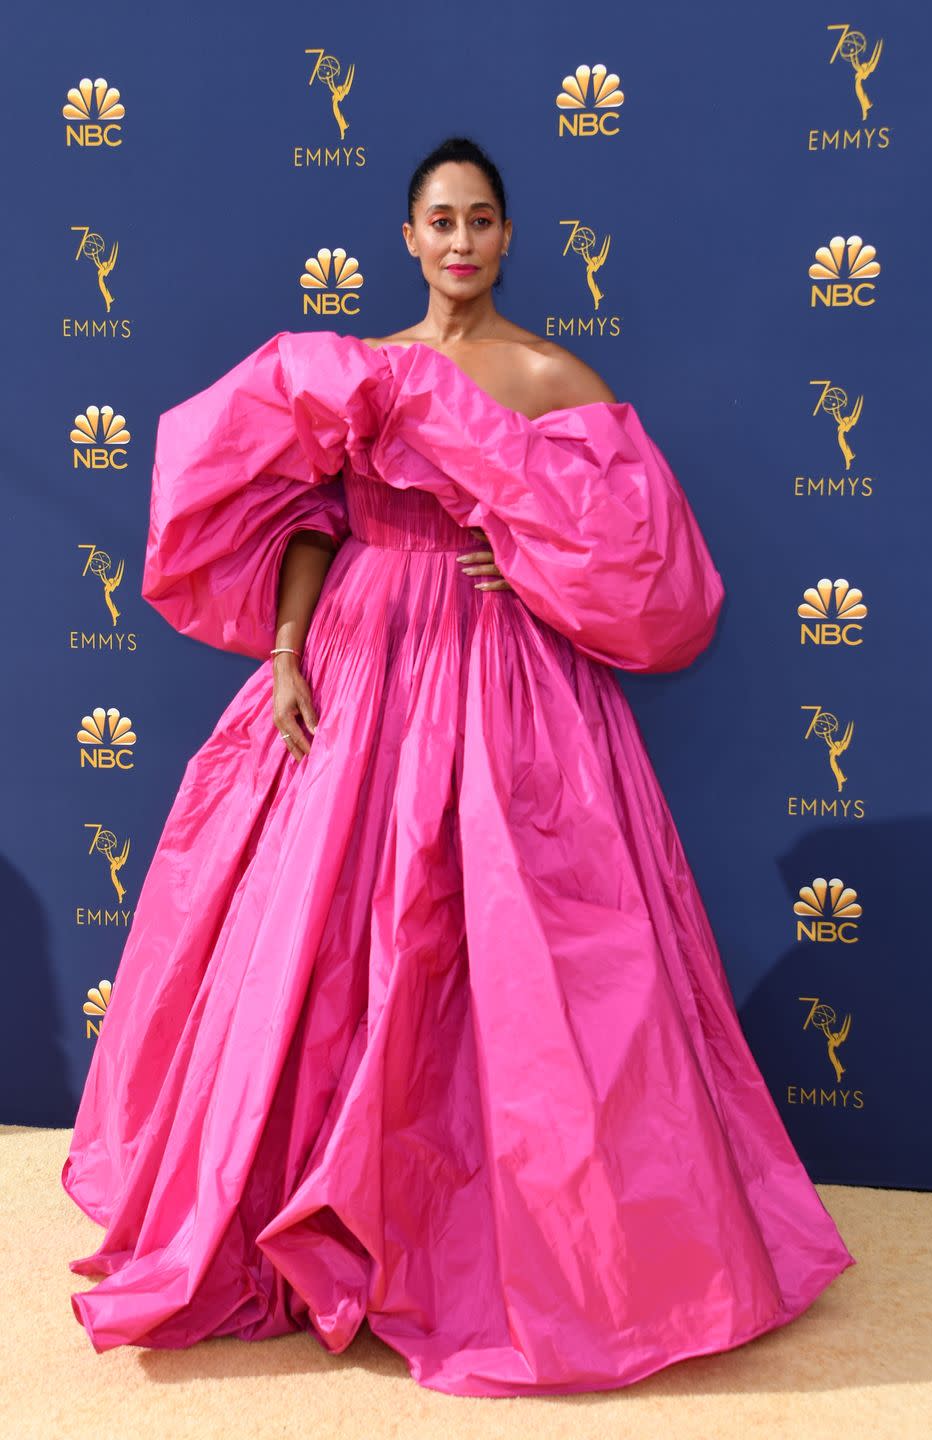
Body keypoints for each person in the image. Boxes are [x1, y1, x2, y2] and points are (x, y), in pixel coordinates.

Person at [61, 135, 854, 1398]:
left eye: (483, 219)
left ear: (506, 236)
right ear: (409, 235)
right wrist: (283, 645)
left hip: (504, 681)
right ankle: (320, 1224)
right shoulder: (360, 375)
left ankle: (494, 1251)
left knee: (500, 949)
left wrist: (526, 561)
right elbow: (317, 515)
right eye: (441, 220)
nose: (462, 241)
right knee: (327, 944)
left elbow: (638, 563)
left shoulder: (548, 373)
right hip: (362, 653)